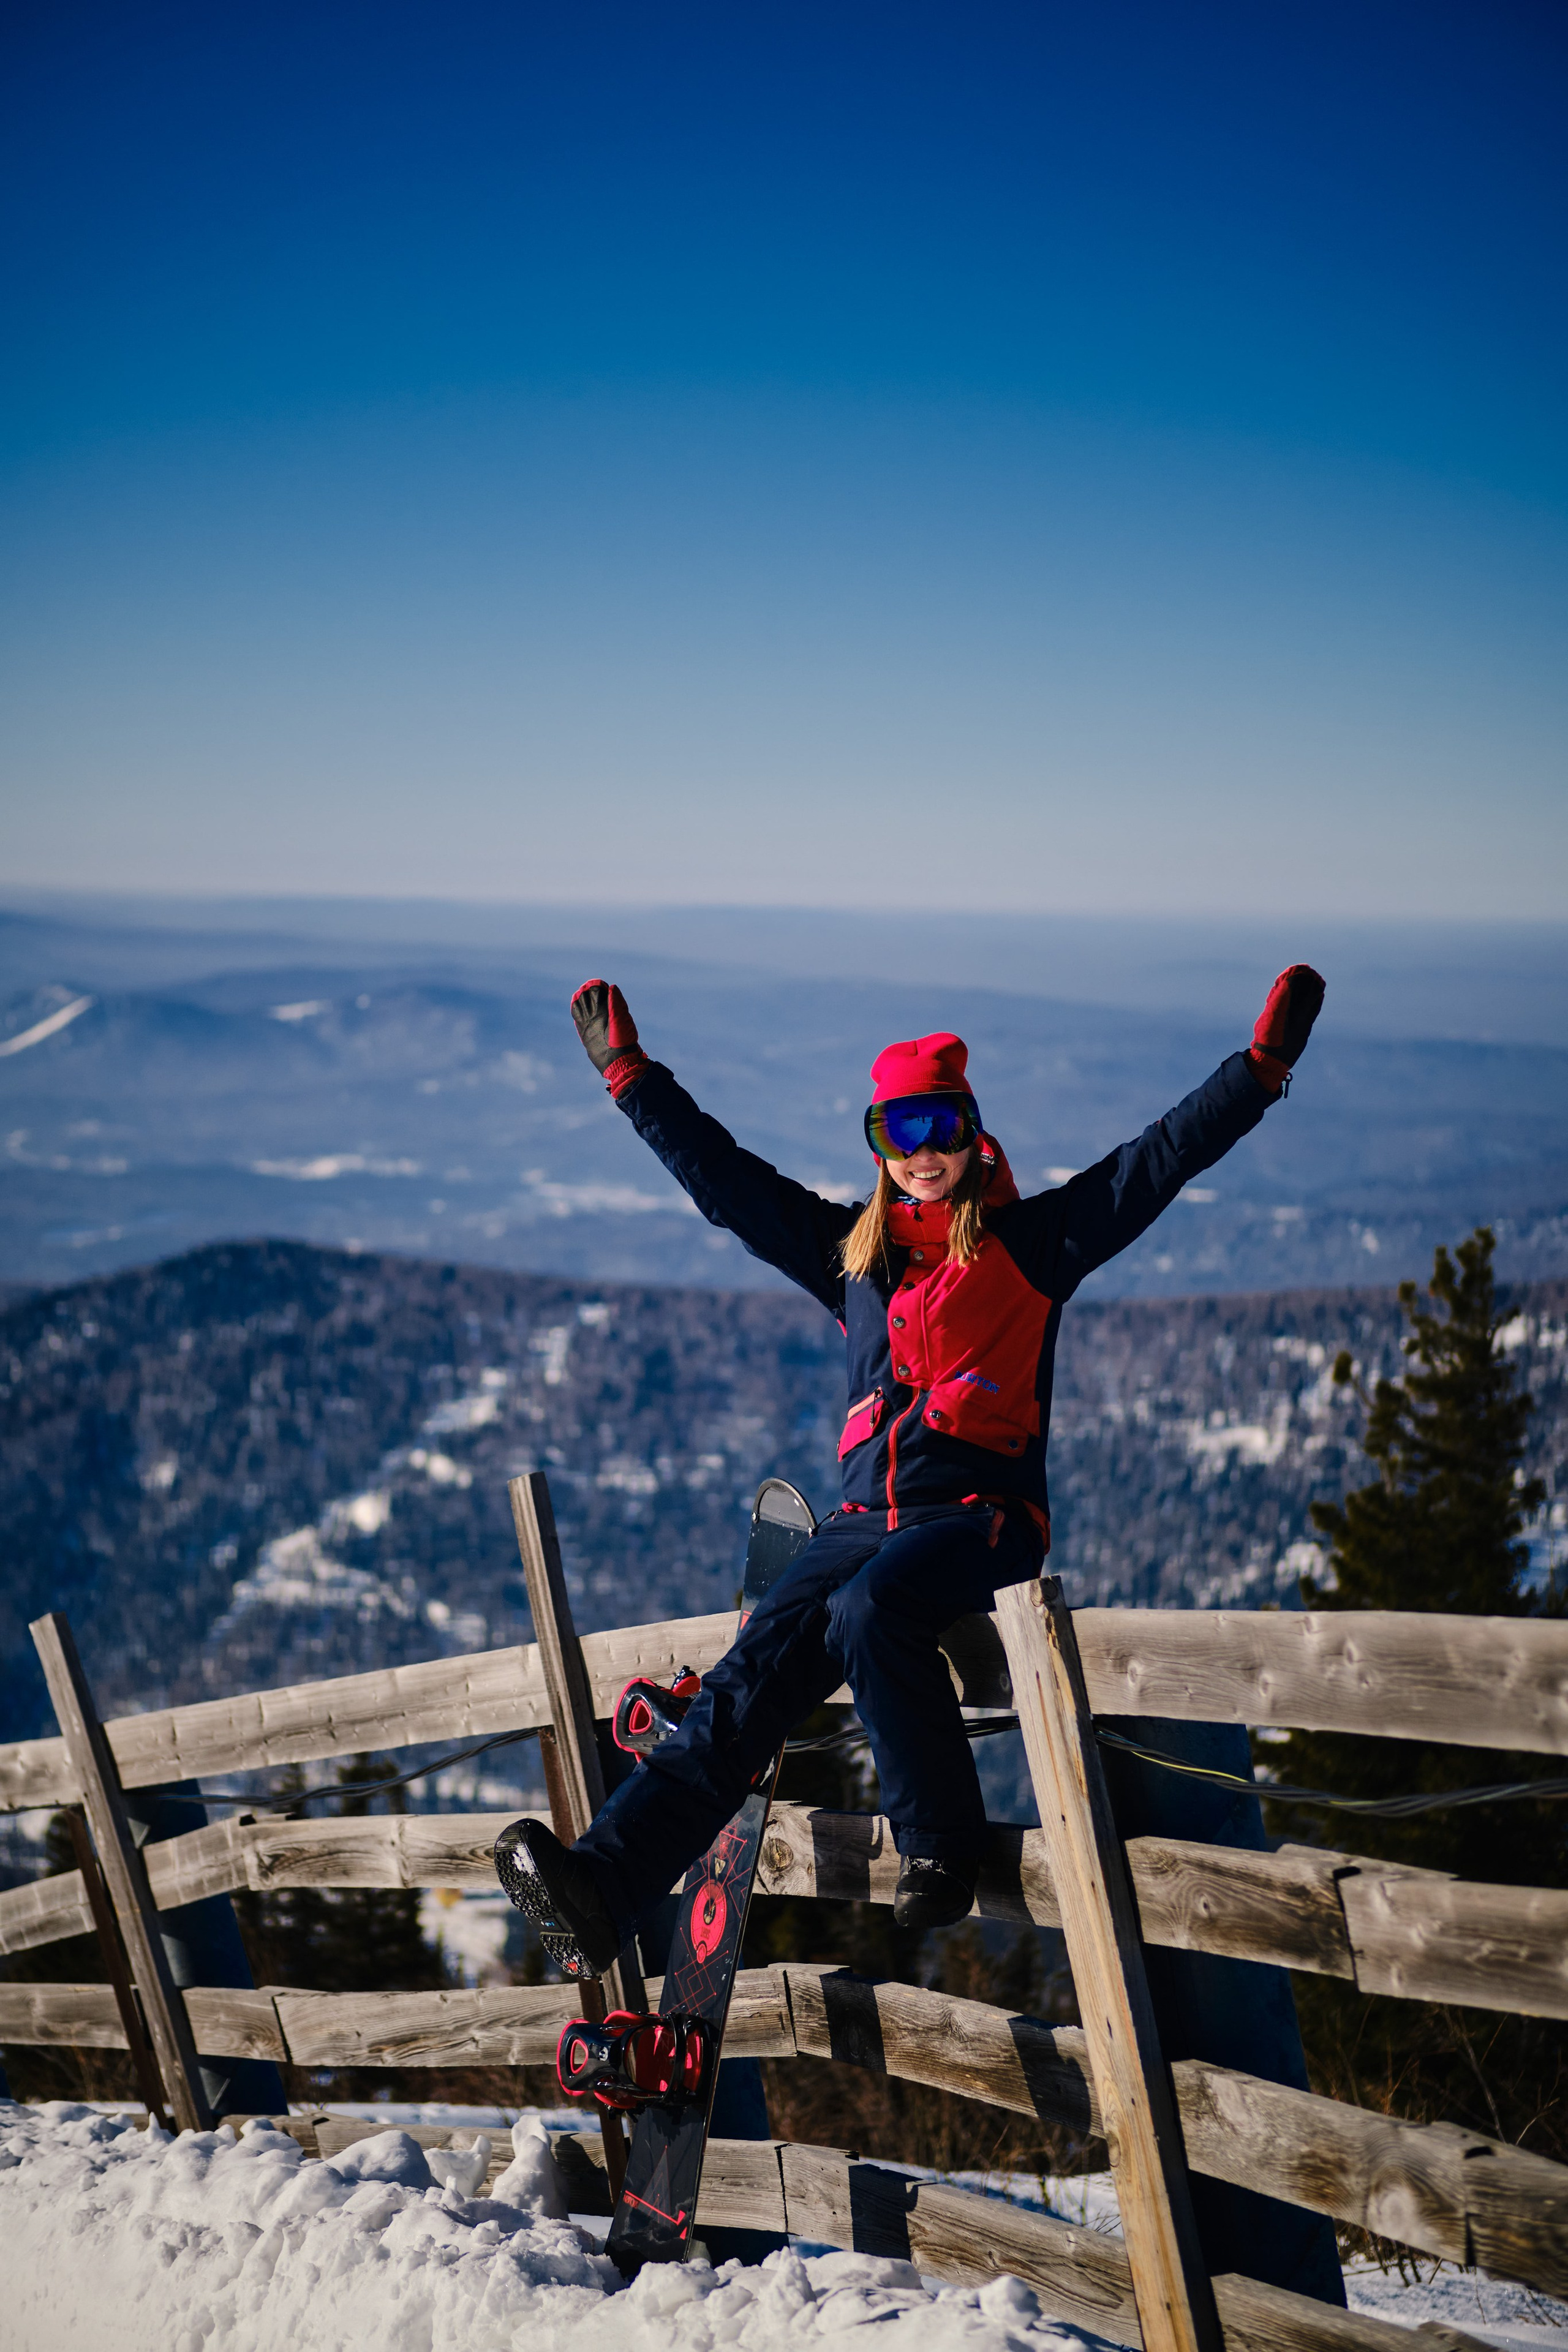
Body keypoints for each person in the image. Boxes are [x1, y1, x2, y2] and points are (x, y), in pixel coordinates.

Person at [500, 963, 1325, 1972]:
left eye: (942, 1127)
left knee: (871, 1609)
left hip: (982, 1515)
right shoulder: (857, 1259)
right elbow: (728, 1185)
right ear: (879, 1145)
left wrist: (1260, 1070)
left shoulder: (1034, 1244)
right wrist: (632, 1080)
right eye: (900, 1132)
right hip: (861, 1523)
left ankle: (940, 1846)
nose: (924, 1154)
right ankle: (605, 1886)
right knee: (741, 1685)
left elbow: (1158, 1160)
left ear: (973, 1134)